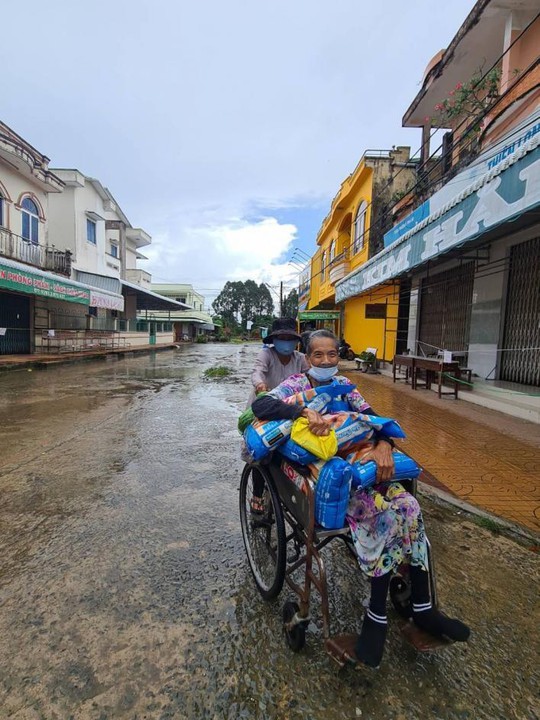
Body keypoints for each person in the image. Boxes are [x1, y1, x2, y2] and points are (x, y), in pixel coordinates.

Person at [251, 329, 470, 668]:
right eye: (318, 355)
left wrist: (384, 445)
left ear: (339, 357)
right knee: (380, 517)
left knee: (409, 506)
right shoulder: (297, 386)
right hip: (327, 477)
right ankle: (376, 621)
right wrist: (303, 413)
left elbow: (376, 421)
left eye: (332, 355)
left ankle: (423, 609)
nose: (326, 361)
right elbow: (261, 404)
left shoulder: (346, 388)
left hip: (362, 466)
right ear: (308, 358)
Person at [248, 317, 309, 405]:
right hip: (264, 402)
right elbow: (258, 371)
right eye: (282, 338)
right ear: (274, 340)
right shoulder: (266, 354)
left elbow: (310, 378)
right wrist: (259, 384)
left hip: (289, 405)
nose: (286, 342)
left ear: (296, 341)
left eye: (290, 338)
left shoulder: (301, 358)